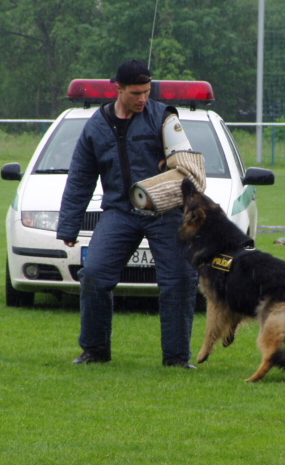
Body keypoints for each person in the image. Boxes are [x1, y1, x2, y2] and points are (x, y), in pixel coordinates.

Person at [56, 59, 200, 369]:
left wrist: (174, 164)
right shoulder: (96, 127)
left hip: (165, 212)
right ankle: (95, 351)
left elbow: (188, 166)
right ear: (118, 89)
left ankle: (177, 358)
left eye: (147, 91)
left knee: (180, 279)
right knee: (94, 275)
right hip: (120, 212)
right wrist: (69, 226)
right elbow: (80, 178)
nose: (143, 98)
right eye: (136, 93)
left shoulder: (164, 118)